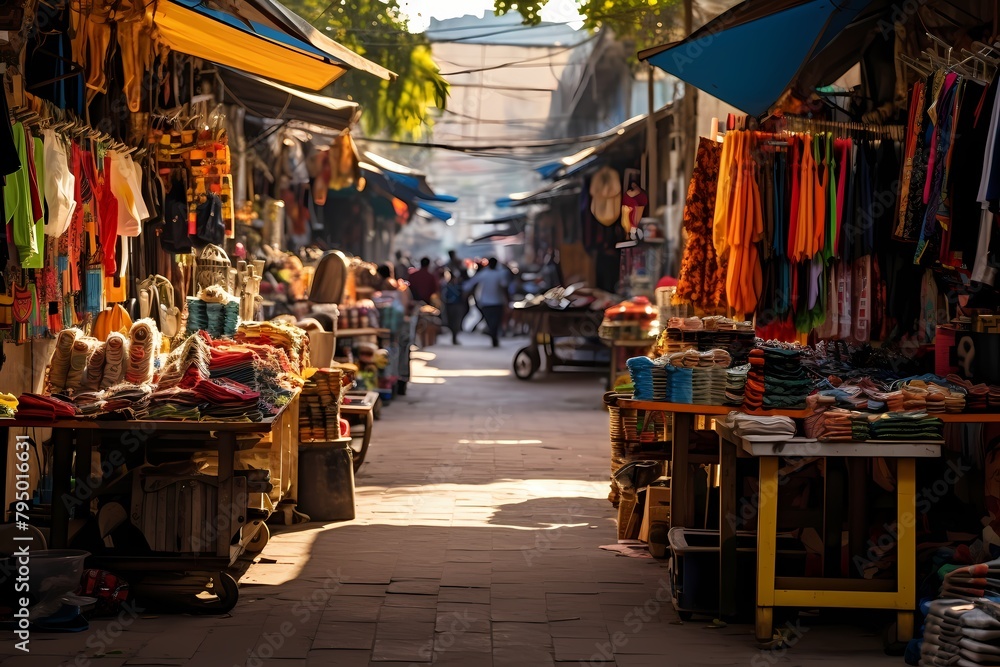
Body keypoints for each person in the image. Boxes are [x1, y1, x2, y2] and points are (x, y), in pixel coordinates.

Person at [464, 257, 508, 347]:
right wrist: (507, 299)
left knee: (491, 322)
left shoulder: (484, 274)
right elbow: (504, 288)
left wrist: (466, 294)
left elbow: (470, 284)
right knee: (495, 322)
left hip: (487, 302)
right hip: (497, 302)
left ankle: (493, 336)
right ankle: (494, 336)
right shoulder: (500, 274)